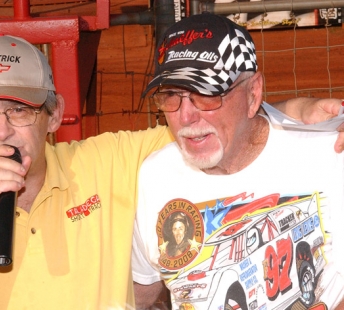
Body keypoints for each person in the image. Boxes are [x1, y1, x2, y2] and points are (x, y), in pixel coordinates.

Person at [0, 34, 343, 309]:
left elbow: (209, 129)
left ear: (53, 117)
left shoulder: (108, 161)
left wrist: (293, 112)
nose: (1, 131)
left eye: (19, 110)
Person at [131, 12, 344, 310]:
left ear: (253, 94)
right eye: (170, 96)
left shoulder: (328, 152)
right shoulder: (153, 176)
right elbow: (141, 295)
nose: (186, 117)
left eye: (205, 95)